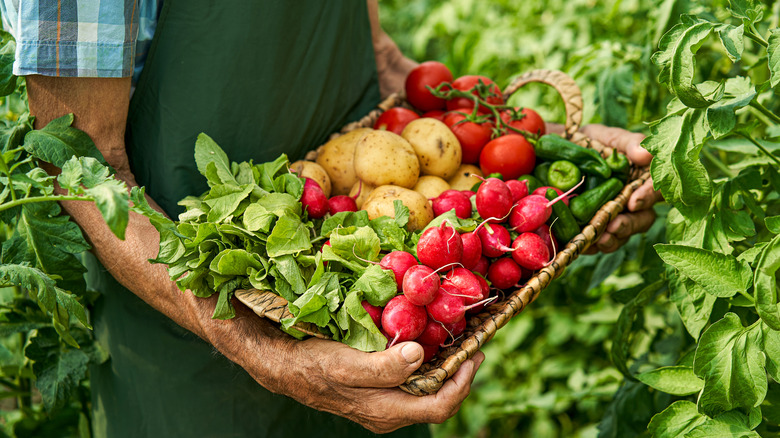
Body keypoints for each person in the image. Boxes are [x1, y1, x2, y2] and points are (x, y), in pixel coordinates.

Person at [1, 1, 660, 436]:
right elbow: (82, 164)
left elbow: (383, 65)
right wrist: (263, 350)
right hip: (193, 343)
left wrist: (542, 160)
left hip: (365, 299)